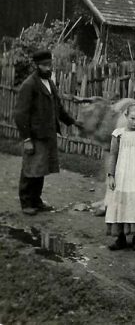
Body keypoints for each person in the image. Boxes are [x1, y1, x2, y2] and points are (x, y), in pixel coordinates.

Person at [13, 49, 81, 215]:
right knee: (30, 168)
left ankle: (37, 200)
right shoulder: (29, 85)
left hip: (47, 134)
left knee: (40, 169)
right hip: (35, 135)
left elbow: (57, 106)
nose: (48, 68)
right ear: (37, 66)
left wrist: (71, 121)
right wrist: (27, 139)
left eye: (50, 65)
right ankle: (26, 202)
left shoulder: (49, 83)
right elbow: (20, 114)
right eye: (44, 66)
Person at [105, 104, 135, 251]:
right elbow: (113, 155)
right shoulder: (118, 134)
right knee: (119, 203)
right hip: (121, 175)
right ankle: (120, 238)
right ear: (126, 116)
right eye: (132, 119)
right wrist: (111, 175)